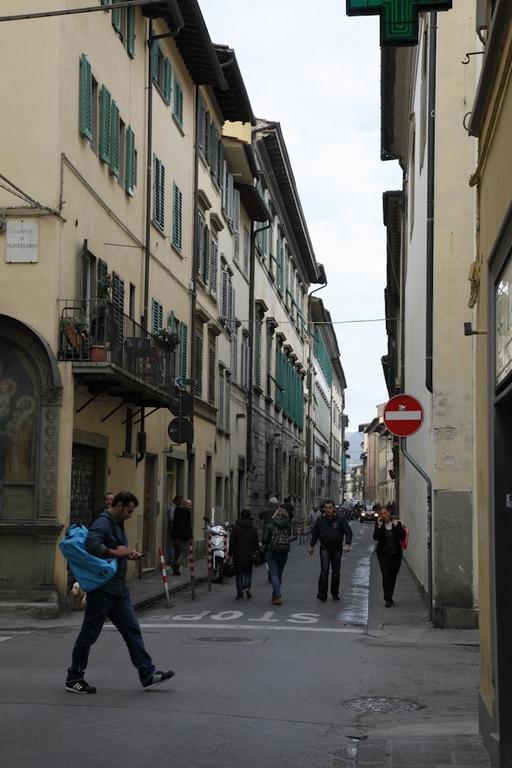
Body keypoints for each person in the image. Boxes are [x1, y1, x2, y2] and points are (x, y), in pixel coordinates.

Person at [65, 491, 174, 693]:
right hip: (103, 591)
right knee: (89, 635)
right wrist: (117, 552)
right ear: (120, 505)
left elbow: (112, 548)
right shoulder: (103, 522)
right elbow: (91, 544)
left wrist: (127, 554)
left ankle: (147, 674)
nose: (131, 515)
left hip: (117, 589)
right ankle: (74, 678)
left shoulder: (116, 522)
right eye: (129, 511)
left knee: (132, 630)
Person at [309, 499, 353, 602]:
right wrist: (311, 546)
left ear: (334, 508)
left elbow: (348, 532)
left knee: (336, 572)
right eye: (326, 508)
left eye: (329, 508)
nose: (327, 510)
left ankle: (334, 593)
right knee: (324, 571)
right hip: (325, 548)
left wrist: (348, 543)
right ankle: (322, 593)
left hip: (337, 548)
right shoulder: (320, 520)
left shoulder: (340, 519)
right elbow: (315, 534)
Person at [373, 502, 406, 607]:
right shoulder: (379, 524)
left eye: (385, 513)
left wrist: (396, 527)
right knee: (386, 575)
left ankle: (390, 594)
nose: (383, 515)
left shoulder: (397, 523)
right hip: (383, 555)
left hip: (395, 555)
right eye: (381, 513)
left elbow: (402, 537)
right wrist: (379, 526)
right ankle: (388, 597)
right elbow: (376, 537)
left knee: (393, 576)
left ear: (389, 513)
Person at [262, 507, 291, 605]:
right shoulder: (288, 525)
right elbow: (290, 534)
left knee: (273, 574)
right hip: (284, 552)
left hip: (271, 551)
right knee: (279, 574)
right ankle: (274, 596)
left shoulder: (270, 524)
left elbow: (265, 539)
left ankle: (277, 595)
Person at [228, 508, 259, 600]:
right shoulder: (253, 529)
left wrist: (230, 554)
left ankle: (239, 592)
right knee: (248, 573)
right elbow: (256, 542)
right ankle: (247, 587)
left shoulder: (236, 528)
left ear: (241, 516)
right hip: (249, 554)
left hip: (238, 554)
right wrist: (256, 551)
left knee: (239, 574)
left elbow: (232, 542)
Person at [170, 498, 193, 576]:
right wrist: (189, 537)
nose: (191, 507)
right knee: (184, 552)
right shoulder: (185, 512)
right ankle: (175, 565)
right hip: (182, 537)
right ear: (185, 505)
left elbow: (176, 524)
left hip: (175, 536)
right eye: (190, 505)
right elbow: (186, 526)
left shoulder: (177, 510)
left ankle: (176, 571)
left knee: (177, 553)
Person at [167, 494, 183, 566]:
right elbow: (172, 519)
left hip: (176, 530)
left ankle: (174, 561)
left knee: (175, 546)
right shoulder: (172, 508)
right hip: (173, 530)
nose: (180, 503)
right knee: (173, 545)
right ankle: (172, 561)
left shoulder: (177, 508)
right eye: (179, 501)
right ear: (176, 500)